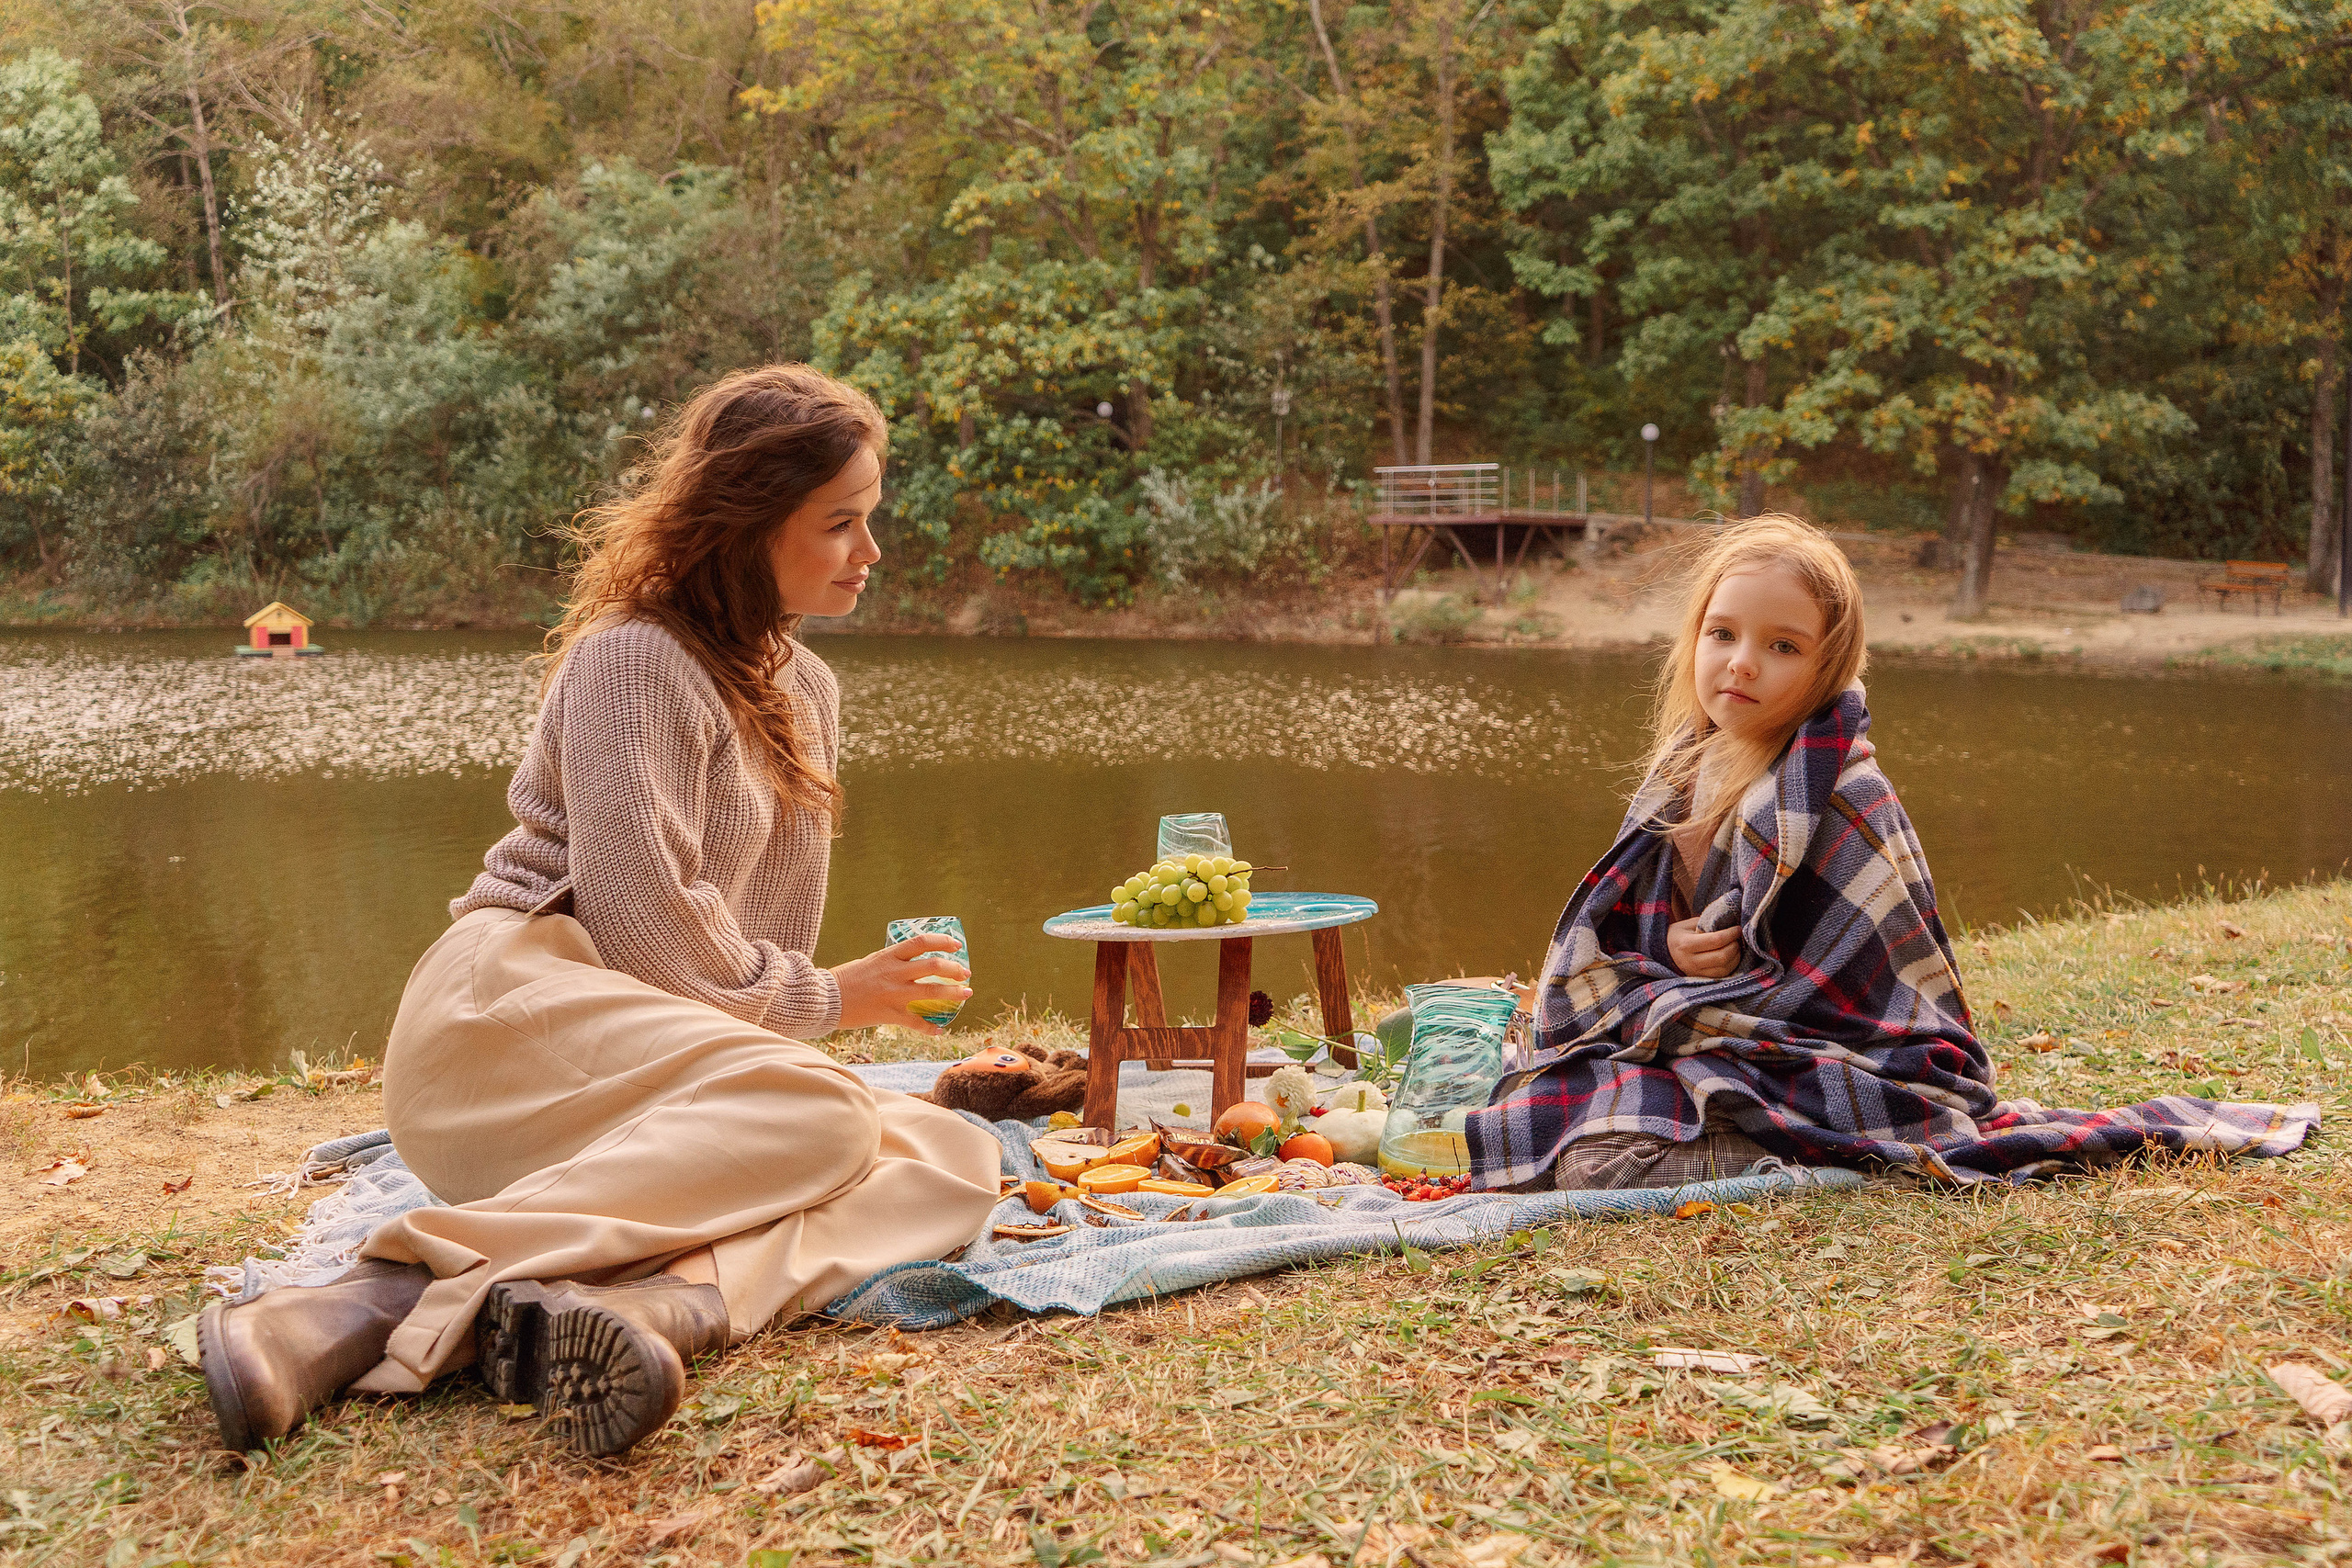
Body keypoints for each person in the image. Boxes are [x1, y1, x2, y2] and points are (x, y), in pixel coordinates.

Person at [198, 365, 1003, 1457]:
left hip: (635, 1083)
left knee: (947, 1154)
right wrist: (837, 998)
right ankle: (361, 1302)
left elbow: (715, 972)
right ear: (750, 526)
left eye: (870, 520)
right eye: (841, 524)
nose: (870, 553)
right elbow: (643, 931)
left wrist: (805, 1011)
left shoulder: (804, 687)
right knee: (827, 1117)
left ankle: (647, 1311)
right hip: (512, 1024)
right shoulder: (632, 662)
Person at [1466, 514, 2318, 1191]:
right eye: (1722, 633)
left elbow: (1845, 984)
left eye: (1783, 646)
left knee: (1602, 1157)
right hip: (1727, 1040)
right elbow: (1655, 928)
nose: (1742, 663)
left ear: (1827, 663)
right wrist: (1669, 949)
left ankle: (1805, 1160)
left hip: (1850, 1061)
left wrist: (1701, 991)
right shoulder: (1688, 763)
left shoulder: (1838, 791)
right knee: (1543, 1097)